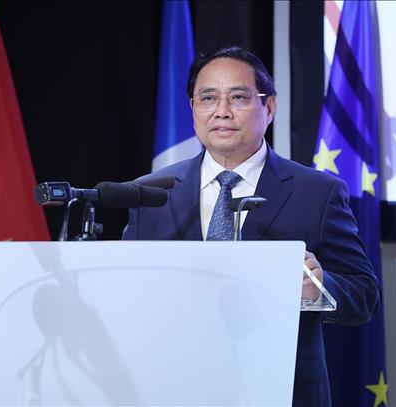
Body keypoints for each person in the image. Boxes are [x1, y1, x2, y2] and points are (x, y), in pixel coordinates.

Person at [122, 45, 381, 407]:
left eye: (238, 98)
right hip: (174, 388)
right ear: (193, 108)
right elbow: (126, 294)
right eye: (208, 98)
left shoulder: (317, 192)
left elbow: (364, 295)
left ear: (269, 107)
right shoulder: (151, 194)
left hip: (281, 389)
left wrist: (319, 289)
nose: (222, 111)